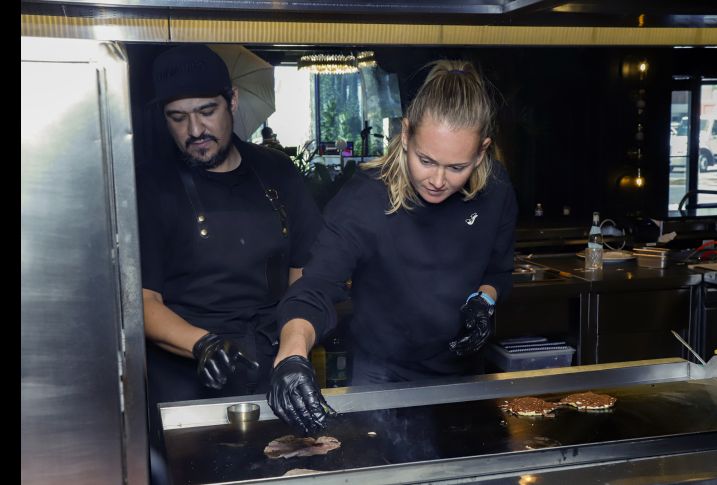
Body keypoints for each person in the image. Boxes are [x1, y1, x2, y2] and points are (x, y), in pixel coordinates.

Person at [266, 60, 518, 434]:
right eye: (426, 160)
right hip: (382, 373)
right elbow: (314, 286)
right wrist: (291, 355)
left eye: (456, 167)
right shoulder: (366, 198)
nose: (437, 180)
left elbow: (498, 270)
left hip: (463, 371)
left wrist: (483, 302)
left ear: (482, 152)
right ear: (406, 133)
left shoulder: (495, 189)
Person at [136, 44, 322, 479]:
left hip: (273, 369)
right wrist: (202, 343)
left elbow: (306, 277)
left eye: (207, 111)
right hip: (187, 381)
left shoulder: (277, 172)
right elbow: (141, 301)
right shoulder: (151, 187)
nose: (195, 130)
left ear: (232, 101)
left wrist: (294, 351)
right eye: (177, 117)